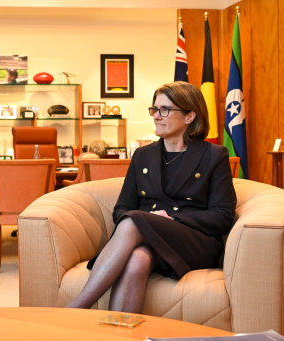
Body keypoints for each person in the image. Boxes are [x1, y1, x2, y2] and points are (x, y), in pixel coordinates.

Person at [66, 81, 236, 313]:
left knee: (134, 220)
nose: (156, 116)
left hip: (193, 241)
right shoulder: (143, 155)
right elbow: (121, 208)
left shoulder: (213, 156)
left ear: (189, 117)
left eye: (165, 109)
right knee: (138, 258)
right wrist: (149, 220)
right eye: (154, 109)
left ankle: (76, 308)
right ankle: (118, 339)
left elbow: (223, 216)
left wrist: (171, 219)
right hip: (147, 237)